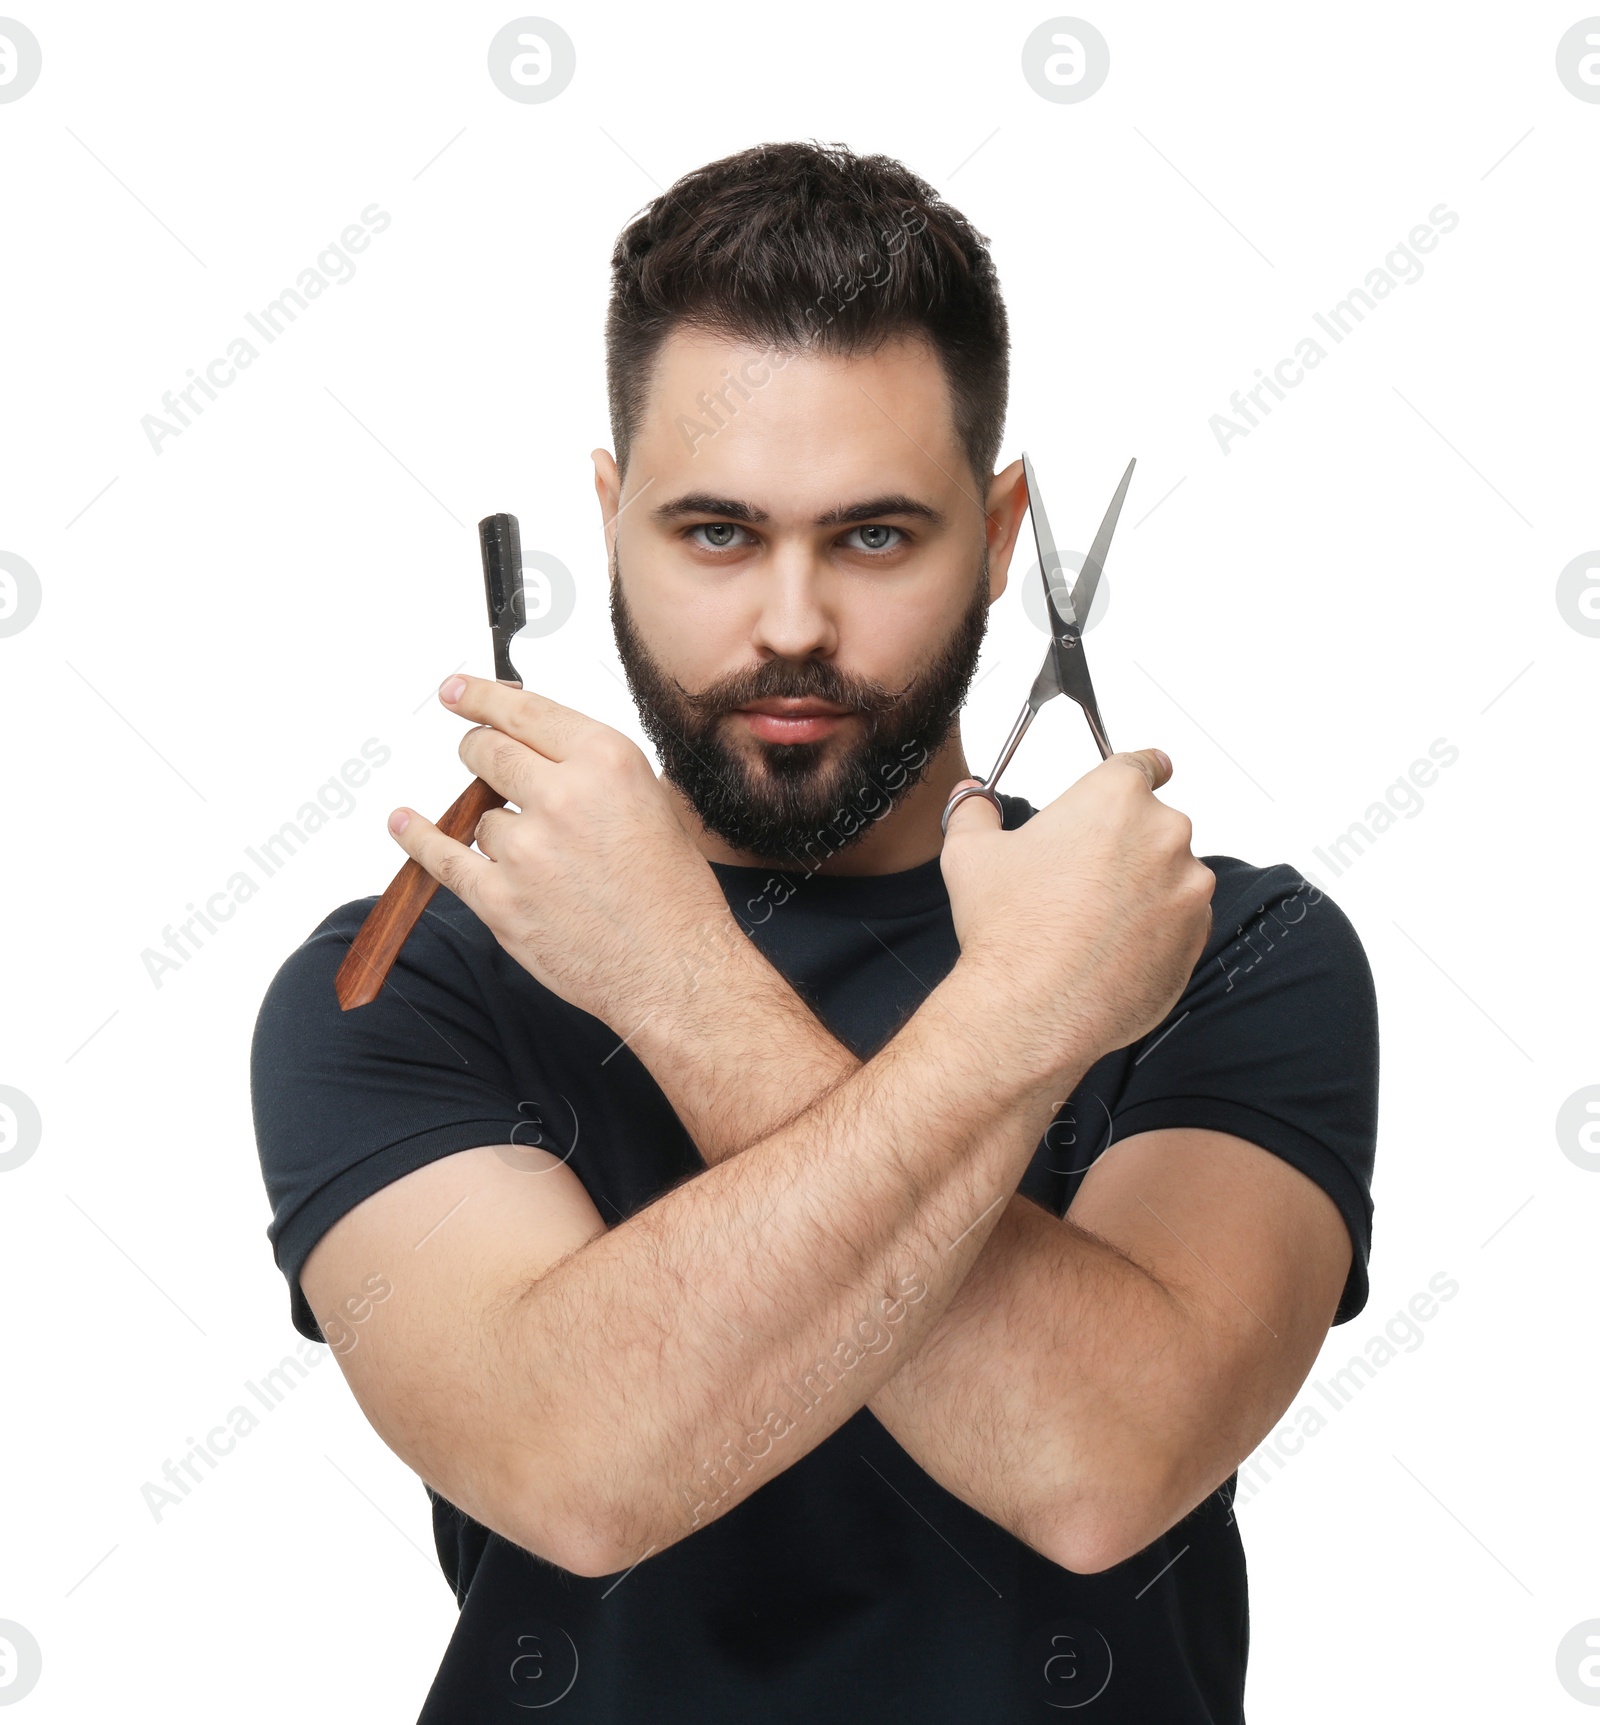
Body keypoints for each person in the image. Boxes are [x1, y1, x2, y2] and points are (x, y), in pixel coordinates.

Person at [251, 140, 1378, 1723]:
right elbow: (579, 1467)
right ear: (611, 515)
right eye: (716, 533)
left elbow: (1097, 1468)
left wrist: (689, 985)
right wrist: (1003, 1020)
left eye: (873, 537)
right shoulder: (409, 976)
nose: (790, 622)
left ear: (998, 539)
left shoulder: (1228, 943)